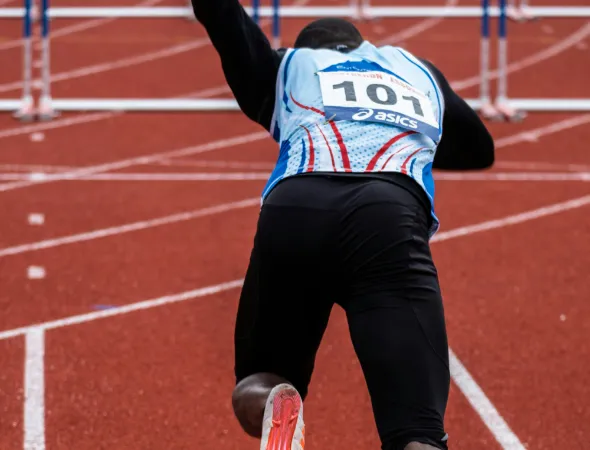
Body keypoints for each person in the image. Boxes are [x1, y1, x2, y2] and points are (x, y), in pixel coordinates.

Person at [190, 2, 495, 449]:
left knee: (255, 381)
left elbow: (223, 20)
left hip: (295, 208)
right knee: (418, 432)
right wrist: (418, 139)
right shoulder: (417, 70)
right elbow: (480, 149)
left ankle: (275, 400)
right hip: (387, 217)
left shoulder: (284, 66)